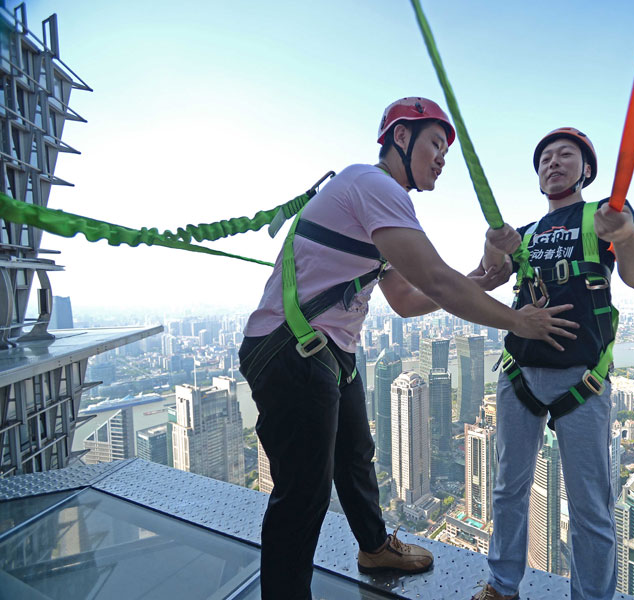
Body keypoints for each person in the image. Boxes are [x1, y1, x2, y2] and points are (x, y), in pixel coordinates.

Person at [238, 98, 579, 600]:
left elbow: (404, 299)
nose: (442, 157)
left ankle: (374, 546)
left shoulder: (376, 203)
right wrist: (517, 322)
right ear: (402, 137)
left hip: (326, 353)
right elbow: (437, 282)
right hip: (293, 350)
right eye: (436, 144)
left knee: (355, 454)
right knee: (303, 496)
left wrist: (481, 279)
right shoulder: (374, 185)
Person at [473, 127, 634, 600]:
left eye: (565, 155)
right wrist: (495, 245)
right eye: (545, 158)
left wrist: (627, 233)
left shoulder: (602, 218)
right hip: (519, 374)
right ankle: (502, 585)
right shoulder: (527, 234)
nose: (552, 163)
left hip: (581, 380)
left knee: (591, 504)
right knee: (509, 489)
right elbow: (488, 278)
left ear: (586, 170)